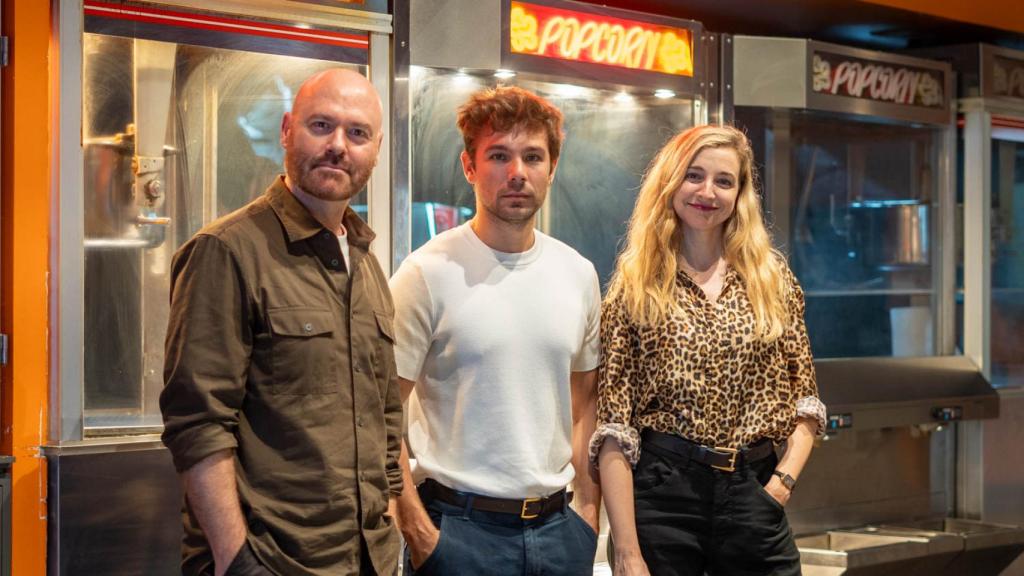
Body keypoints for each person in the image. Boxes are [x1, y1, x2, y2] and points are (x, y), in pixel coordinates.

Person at [160, 68, 402, 576]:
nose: (339, 145)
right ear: (287, 130)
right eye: (322, 126)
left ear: (376, 150)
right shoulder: (226, 252)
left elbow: (384, 419)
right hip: (273, 561)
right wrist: (238, 562)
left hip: (366, 559)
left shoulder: (365, 262)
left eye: (357, 133)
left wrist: (389, 534)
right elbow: (199, 426)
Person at [591, 124, 826, 576]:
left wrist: (782, 482)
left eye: (724, 181)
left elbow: (807, 401)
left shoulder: (770, 279)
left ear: (740, 194)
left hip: (755, 486)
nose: (707, 192)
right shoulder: (634, 286)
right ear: (670, 183)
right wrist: (625, 549)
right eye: (693, 176)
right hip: (665, 495)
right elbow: (614, 428)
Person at [389, 86, 602, 575]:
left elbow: (584, 404)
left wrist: (587, 514)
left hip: (558, 533)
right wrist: (421, 535)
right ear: (469, 167)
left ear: (552, 168)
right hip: (458, 533)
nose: (517, 173)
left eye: (532, 156)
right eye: (498, 156)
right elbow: (380, 418)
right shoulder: (426, 273)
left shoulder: (578, 273)